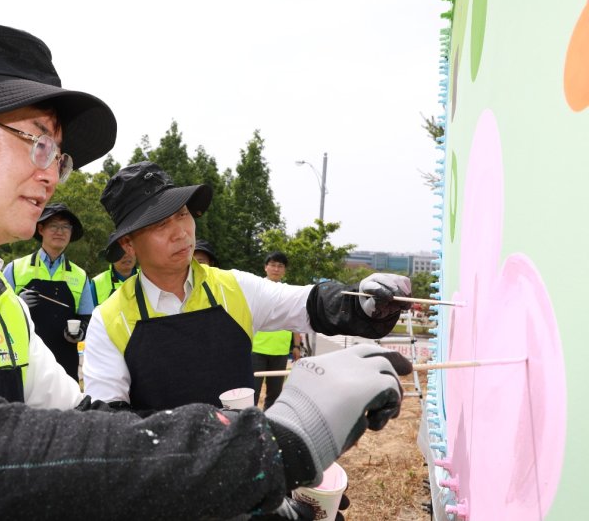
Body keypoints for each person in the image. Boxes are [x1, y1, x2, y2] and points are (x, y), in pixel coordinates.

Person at [0, 23, 412, 521]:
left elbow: (75, 434)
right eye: (35, 142)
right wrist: (271, 444)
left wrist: (222, 497)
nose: (51, 174)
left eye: (57, 156)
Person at [83, 161, 414, 414]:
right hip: (161, 487)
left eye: (182, 214)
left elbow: (308, 304)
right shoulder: (110, 321)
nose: (180, 232)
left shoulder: (234, 288)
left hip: (245, 475)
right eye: (159, 224)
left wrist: (362, 301)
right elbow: (112, 427)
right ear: (127, 244)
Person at [3, 202, 91, 381]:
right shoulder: (14, 268)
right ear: (41, 229)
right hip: (25, 357)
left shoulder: (80, 275)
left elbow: (87, 318)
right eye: (54, 226)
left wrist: (78, 332)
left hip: (65, 363)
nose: (60, 231)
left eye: (65, 227)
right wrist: (18, 303)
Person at [252, 251, 303, 409]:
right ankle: (247, 427)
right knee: (251, 392)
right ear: (265, 267)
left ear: (284, 270)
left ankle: (269, 427)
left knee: (275, 394)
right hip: (256, 348)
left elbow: (295, 319)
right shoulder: (255, 288)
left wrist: (296, 346)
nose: (276, 269)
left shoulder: (288, 292)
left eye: (280, 266)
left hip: (280, 351)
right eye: (273, 265)